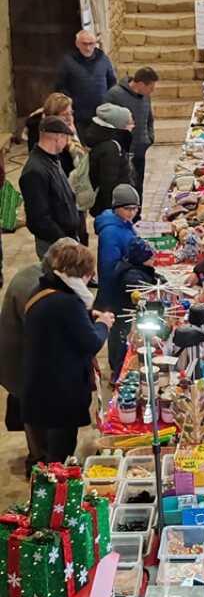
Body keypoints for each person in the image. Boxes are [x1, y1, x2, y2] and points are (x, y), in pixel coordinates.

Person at [23, 241, 114, 462]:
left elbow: (60, 328)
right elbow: (91, 342)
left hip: (39, 386)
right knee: (60, 452)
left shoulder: (43, 290)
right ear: (82, 273)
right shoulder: (67, 303)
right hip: (59, 392)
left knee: (49, 447)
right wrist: (103, 324)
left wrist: (86, 319)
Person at [0, 239, 76, 476]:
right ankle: (41, 464)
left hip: (27, 361)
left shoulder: (38, 275)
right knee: (36, 417)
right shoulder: (32, 288)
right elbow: (48, 336)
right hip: (23, 365)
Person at [24, 92, 90, 246]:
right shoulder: (44, 146)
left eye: (71, 113)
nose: (69, 118)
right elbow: (39, 218)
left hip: (71, 194)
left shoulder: (68, 130)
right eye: (65, 114)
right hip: (60, 202)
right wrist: (64, 240)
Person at [19, 116, 80, 258]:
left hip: (66, 240)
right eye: (66, 139)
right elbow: (38, 220)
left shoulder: (52, 159)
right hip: (55, 246)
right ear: (58, 138)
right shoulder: (34, 171)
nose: (66, 144)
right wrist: (64, 242)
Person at [104, 66, 158, 209]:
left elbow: (149, 119)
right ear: (140, 84)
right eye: (150, 88)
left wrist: (149, 138)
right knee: (126, 187)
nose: (152, 91)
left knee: (138, 185)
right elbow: (106, 122)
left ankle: (137, 216)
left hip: (140, 149)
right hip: (123, 153)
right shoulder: (114, 95)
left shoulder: (146, 96)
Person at [109, 237, 162, 380]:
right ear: (142, 259)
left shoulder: (135, 268)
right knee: (124, 349)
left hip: (124, 319)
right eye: (151, 258)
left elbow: (150, 277)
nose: (154, 261)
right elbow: (138, 291)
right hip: (125, 321)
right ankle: (118, 375)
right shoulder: (131, 277)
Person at [55, 30, 117, 143]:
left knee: (101, 146)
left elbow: (112, 82)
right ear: (77, 44)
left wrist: (109, 103)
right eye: (84, 44)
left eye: (91, 44)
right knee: (82, 147)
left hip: (101, 114)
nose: (88, 48)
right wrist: (69, 107)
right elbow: (60, 86)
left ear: (95, 43)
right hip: (78, 116)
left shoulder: (103, 59)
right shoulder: (68, 61)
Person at [94, 184, 141, 317]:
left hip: (121, 287)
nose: (132, 213)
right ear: (116, 208)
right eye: (127, 209)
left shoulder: (124, 223)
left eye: (135, 208)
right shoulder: (110, 232)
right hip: (114, 294)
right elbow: (109, 269)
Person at [85, 103, 135, 217]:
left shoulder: (111, 143)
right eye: (129, 123)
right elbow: (108, 184)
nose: (133, 126)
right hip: (113, 209)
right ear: (119, 125)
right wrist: (114, 212)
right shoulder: (111, 148)